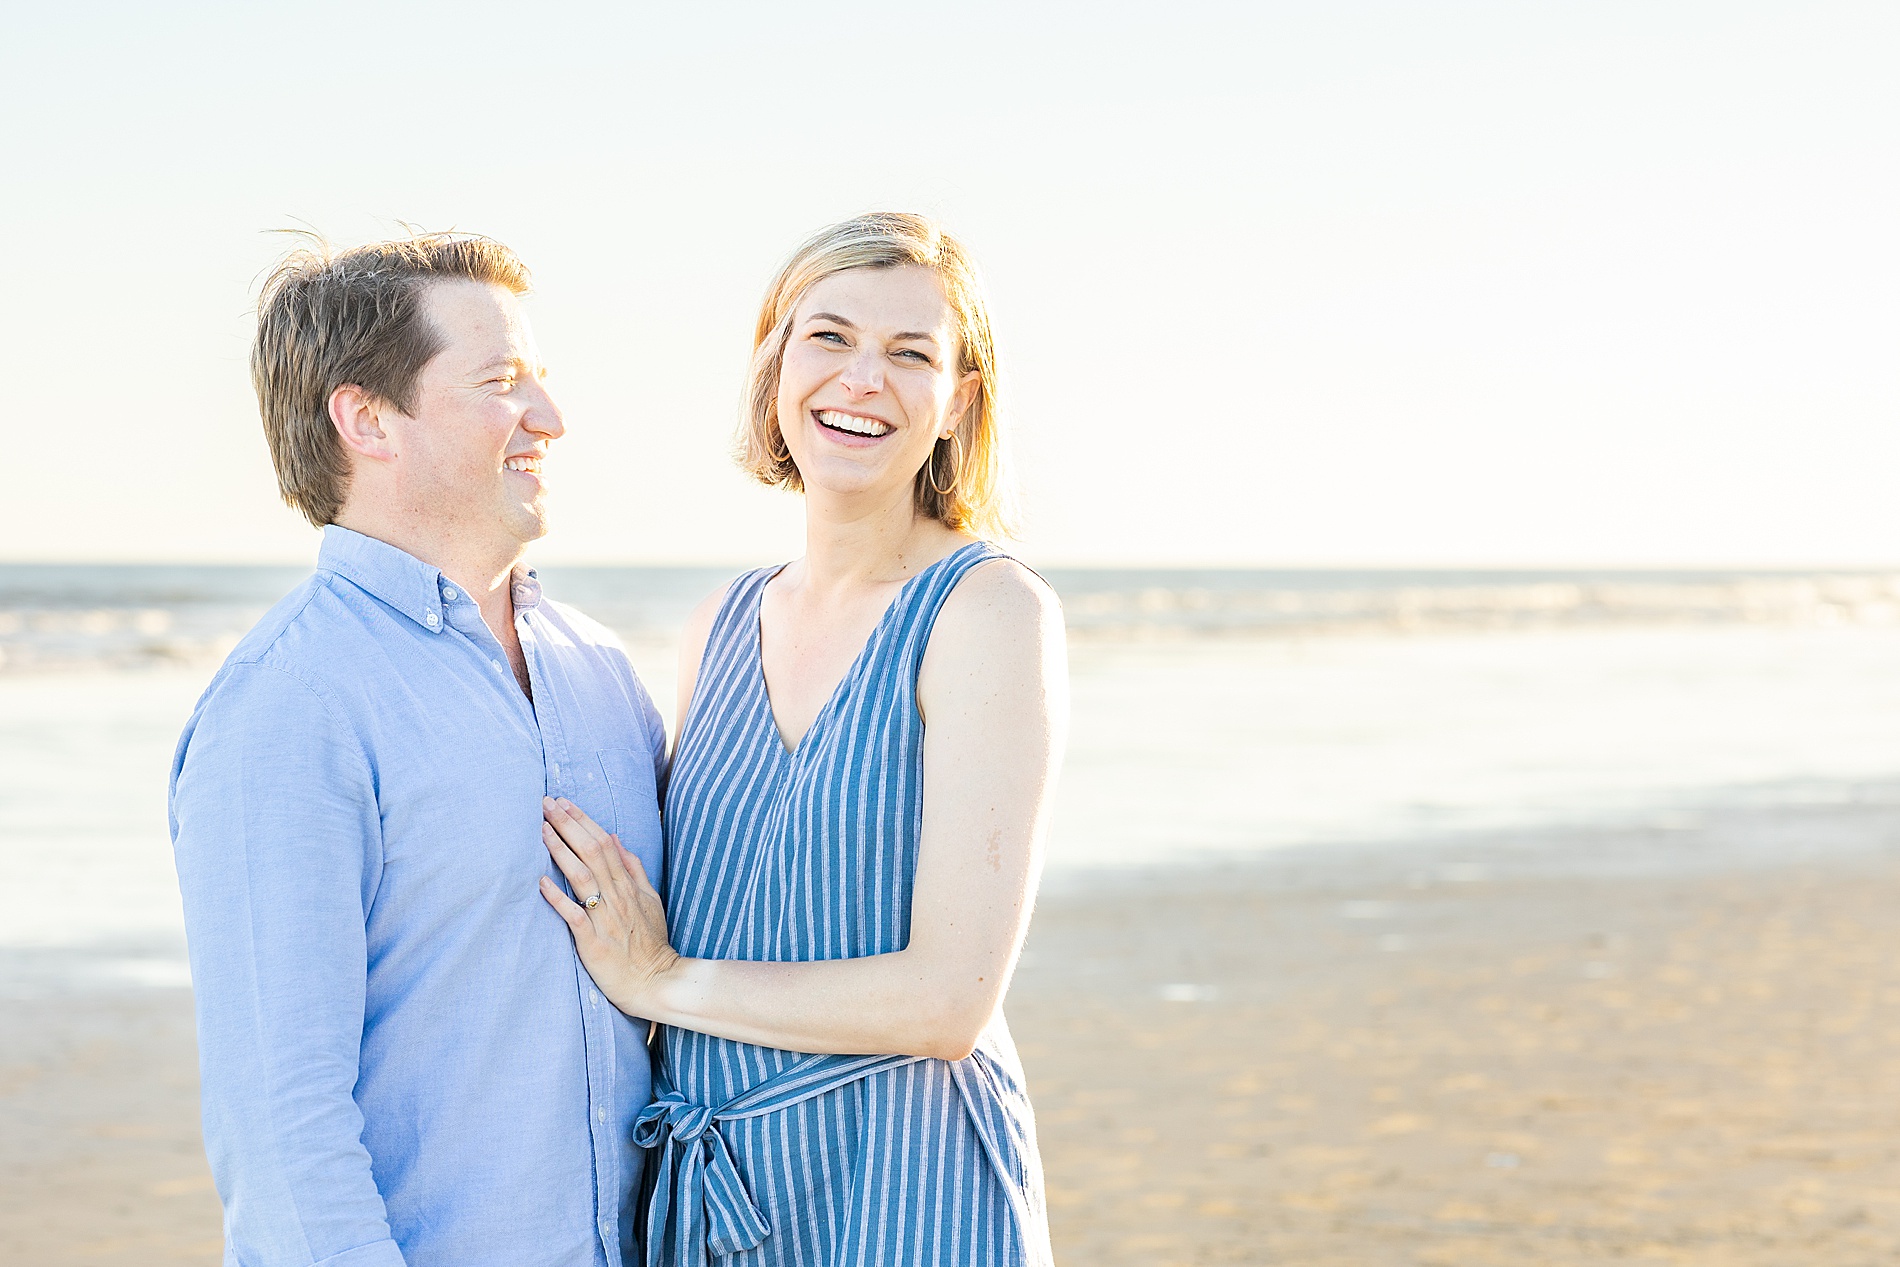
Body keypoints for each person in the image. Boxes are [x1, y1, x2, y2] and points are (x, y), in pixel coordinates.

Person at [538, 212, 1067, 1265]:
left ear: (958, 403)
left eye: (910, 353)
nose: (861, 378)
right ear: (773, 361)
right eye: (828, 336)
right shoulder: (720, 624)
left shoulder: (985, 612)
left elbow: (948, 1000)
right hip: (712, 1198)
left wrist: (661, 982)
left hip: (903, 1184)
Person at [170, 234, 666, 1267]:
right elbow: (281, 1124)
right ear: (367, 420)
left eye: (542, 382)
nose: (550, 420)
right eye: (502, 384)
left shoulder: (602, 673)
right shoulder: (290, 705)